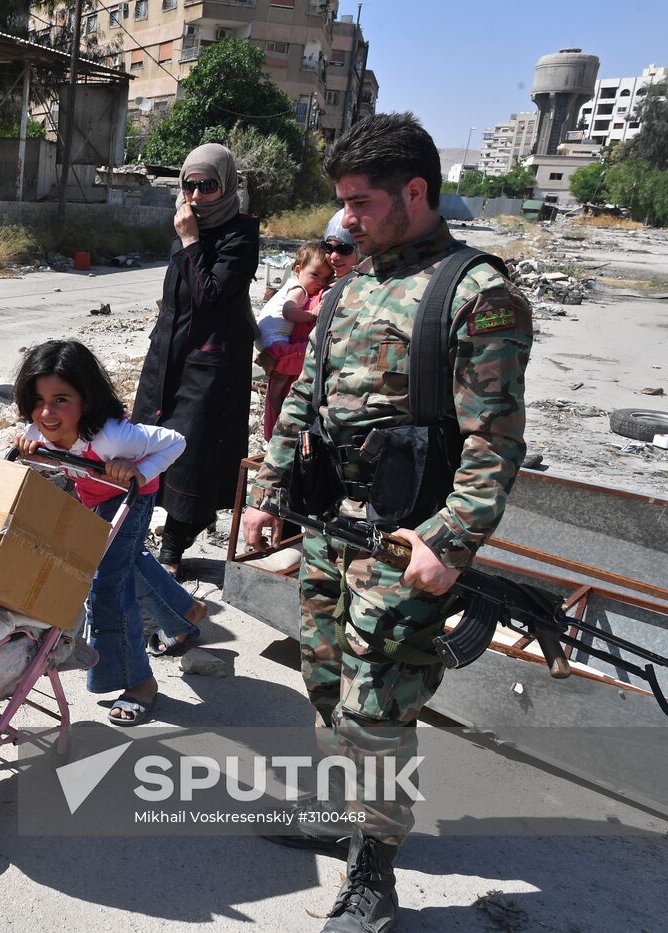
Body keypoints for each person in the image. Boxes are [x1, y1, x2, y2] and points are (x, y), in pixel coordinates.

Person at [240, 113, 533, 932]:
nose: (346, 221)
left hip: (407, 537)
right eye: (342, 204)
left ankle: (375, 868)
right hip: (333, 526)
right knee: (328, 682)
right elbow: (304, 400)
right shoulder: (352, 283)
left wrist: (450, 541)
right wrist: (269, 487)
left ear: (416, 191)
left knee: (378, 707)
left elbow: (494, 440)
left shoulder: (477, 292)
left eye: (361, 204)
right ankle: (345, 812)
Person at [14, 340, 204, 726]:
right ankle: (186, 612)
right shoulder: (39, 426)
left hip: (132, 500)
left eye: (61, 399)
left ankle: (138, 683)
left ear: (88, 399)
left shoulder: (114, 437)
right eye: (38, 399)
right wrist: (33, 453)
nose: (47, 412)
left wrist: (139, 471)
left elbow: (176, 442)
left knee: (107, 586)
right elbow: (49, 448)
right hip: (95, 498)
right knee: (129, 564)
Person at [132, 143, 260, 577]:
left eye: (209, 185)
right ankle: (134, 532)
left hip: (210, 366)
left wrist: (189, 241)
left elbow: (209, 297)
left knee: (192, 453)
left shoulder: (240, 235)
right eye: (190, 185)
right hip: (168, 354)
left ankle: (173, 547)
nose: (198, 195)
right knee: (148, 440)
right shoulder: (188, 227)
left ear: (226, 185)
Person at [256, 241, 333, 440]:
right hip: (275, 340)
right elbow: (288, 312)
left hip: (269, 339)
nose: (320, 282)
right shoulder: (298, 289)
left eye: (325, 278)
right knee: (287, 371)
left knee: (277, 387)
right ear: (298, 270)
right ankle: (276, 423)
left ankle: (273, 423)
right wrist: (311, 314)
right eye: (315, 275)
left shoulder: (297, 285)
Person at [321, 208, 360, 279]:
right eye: (328, 247)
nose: (333, 256)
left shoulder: (374, 287)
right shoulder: (319, 280)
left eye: (343, 249)